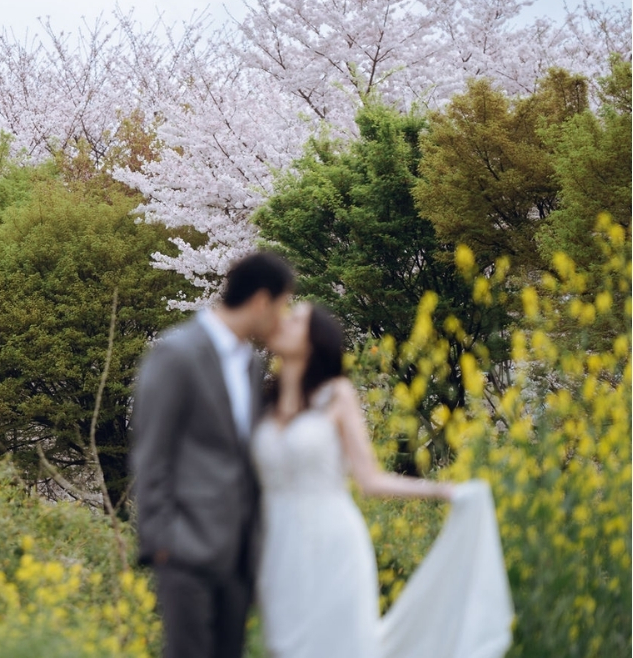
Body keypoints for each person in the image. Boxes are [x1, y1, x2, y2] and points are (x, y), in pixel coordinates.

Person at [252, 302, 513, 658]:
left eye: (296, 319)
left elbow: (370, 479)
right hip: (278, 549)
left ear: (316, 340)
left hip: (333, 545)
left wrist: (443, 489)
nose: (284, 321)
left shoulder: (336, 394)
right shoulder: (263, 401)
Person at [130, 251, 294, 658]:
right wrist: (161, 542)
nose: (283, 318)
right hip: (184, 548)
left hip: (238, 554)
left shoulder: (251, 366)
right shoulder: (177, 353)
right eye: (283, 306)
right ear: (260, 301)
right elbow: (152, 452)